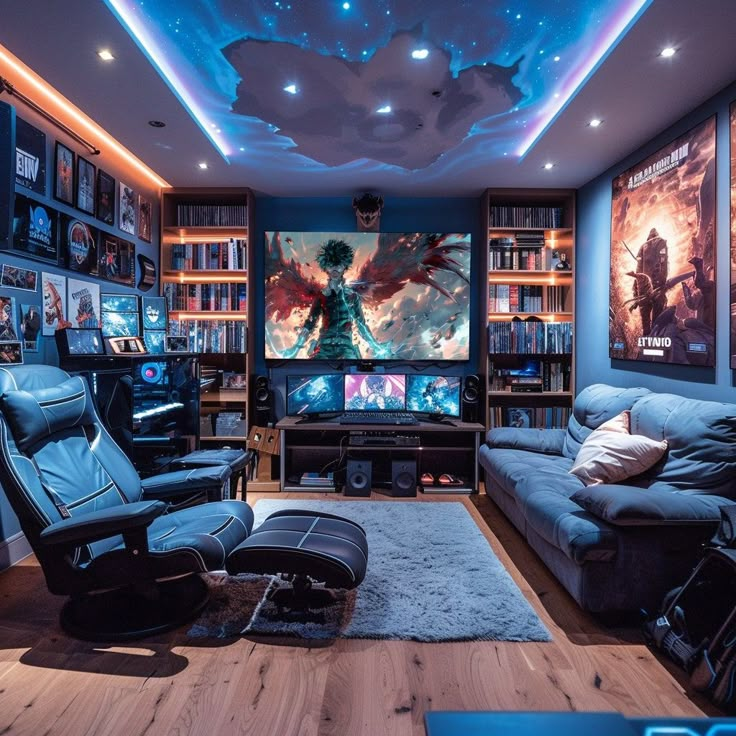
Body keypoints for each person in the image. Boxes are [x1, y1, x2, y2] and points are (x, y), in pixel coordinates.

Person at [282, 238, 388, 360]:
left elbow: (361, 325)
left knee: (354, 373)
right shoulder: (321, 296)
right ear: (326, 267)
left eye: (339, 265)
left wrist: (375, 346)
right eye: (331, 265)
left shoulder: (352, 296)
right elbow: (309, 324)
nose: (335, 269)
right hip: (323, 348)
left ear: (345, 266)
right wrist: (295, 348)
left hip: (346, 348)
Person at [631, 227, 668, 336]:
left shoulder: (642, 247)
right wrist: (662, 284)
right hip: (656, 288)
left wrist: (635, 292)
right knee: (657, 323)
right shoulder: (662, 242)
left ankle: (646, 346)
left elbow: (637, 272)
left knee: (646, 326)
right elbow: (663, 263)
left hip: (643, 290)